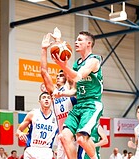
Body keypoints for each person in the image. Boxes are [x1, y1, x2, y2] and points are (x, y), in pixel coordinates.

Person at [52, 29, 103, 159]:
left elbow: (78, 77)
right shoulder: (76, 64)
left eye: (80, 40)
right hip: (79, 105)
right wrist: (61, 94)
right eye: (76, 39)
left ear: (89, 44)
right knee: (64, 136)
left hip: (92, 104)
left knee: (81, 139)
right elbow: (74, 89)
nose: (76, 42)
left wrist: (63, 66)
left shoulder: (94, 60)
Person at [41, 28, 77, 159]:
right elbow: (44, 72)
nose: (59, 76)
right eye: (58, 75)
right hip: (61, 135)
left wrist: (58, 41)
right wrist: (44, 50)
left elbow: (65, 63)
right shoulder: (54, 92)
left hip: (74, 134)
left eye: (61, 75)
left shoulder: (70, 88)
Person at [16, 92, 59, 159]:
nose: (46, 99)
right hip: (32, 149)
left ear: (52, 100)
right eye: (44, 98)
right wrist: (20, 133)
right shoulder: (33, 114)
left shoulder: (56, 117)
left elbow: (61, 134)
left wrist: (59, 147)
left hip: (46, 150)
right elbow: (18, 131)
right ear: (39, 101)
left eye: (49, 98)